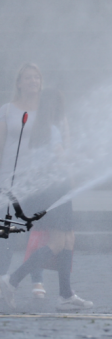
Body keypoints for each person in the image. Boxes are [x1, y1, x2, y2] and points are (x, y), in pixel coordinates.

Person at [0, 88, 92, 310]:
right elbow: (60, 159)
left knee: (69, 239)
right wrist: (84, 156)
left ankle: (65, 294)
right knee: (59, 242)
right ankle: (13, 281)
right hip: (55, 191)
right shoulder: (52, 130)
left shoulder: (42, 130)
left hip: (52, 191)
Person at [0, 63, 44, 290]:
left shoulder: (46, 111)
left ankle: (38, 280)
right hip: (10, 179)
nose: (33, 81)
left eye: (36, 78)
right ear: (19, 83)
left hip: (37, 179)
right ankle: (2, 276)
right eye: (28, 78)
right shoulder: (7, 110)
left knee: (35, 230)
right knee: (6, 230)